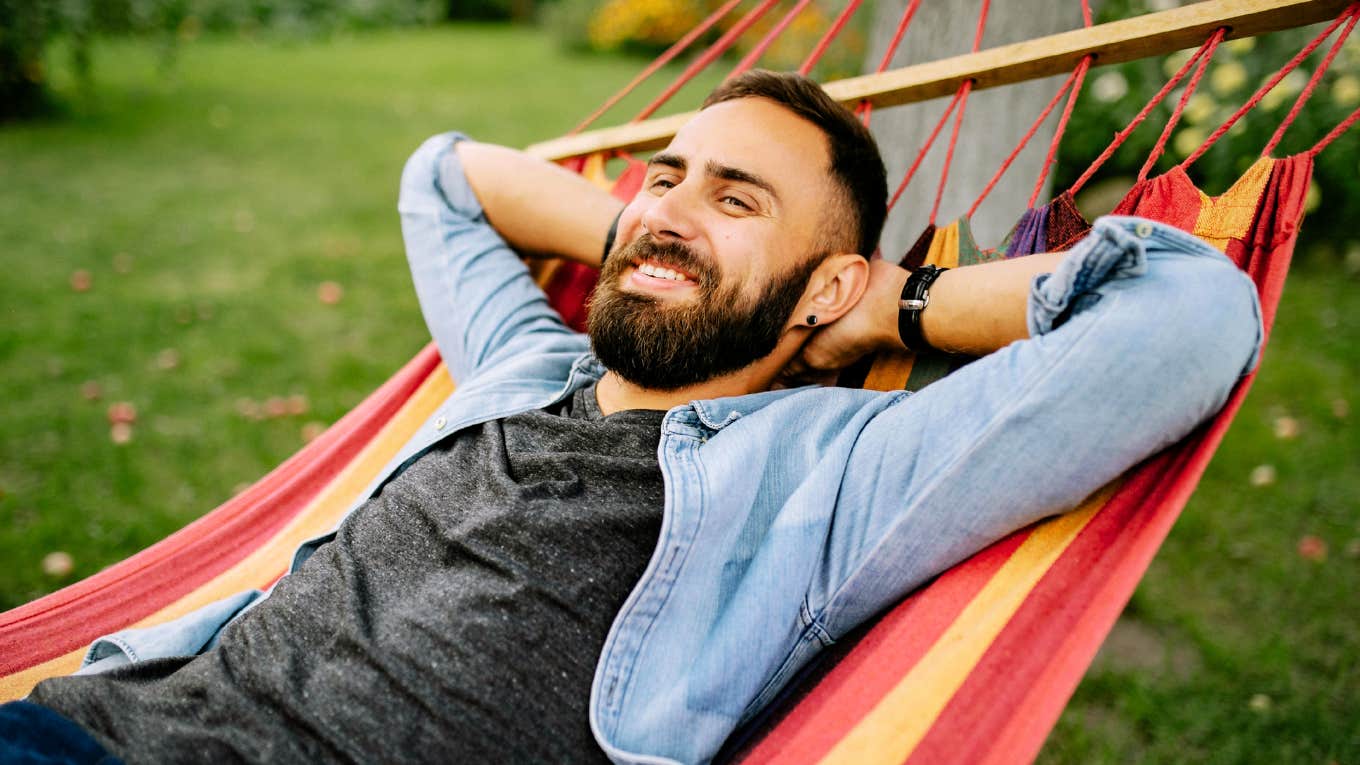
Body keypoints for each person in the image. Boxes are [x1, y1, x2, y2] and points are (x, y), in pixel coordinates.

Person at [3, 70, 1262, 765]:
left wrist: (894, 305)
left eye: (736, 197)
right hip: (92, 730)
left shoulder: (825, 485)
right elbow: (440, 176)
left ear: (826, 284)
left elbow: (1189, 317)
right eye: (664, 176)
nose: (669, 203)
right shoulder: (517, 365)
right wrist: (665, 238)